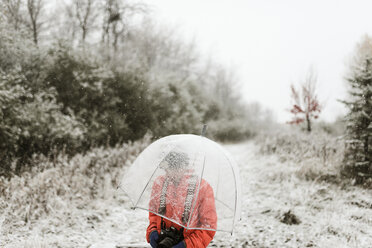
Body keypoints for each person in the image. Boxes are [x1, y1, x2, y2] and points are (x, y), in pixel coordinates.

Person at [146, 151, 217, 248]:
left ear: (182, 167)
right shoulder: (159, 183)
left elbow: (208, 226)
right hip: (163, 242)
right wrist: (152, 231)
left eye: (170, 169)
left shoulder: (202, 187)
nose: (167, 173)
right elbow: (153, 213)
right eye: (165, 169)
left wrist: (186, 245)